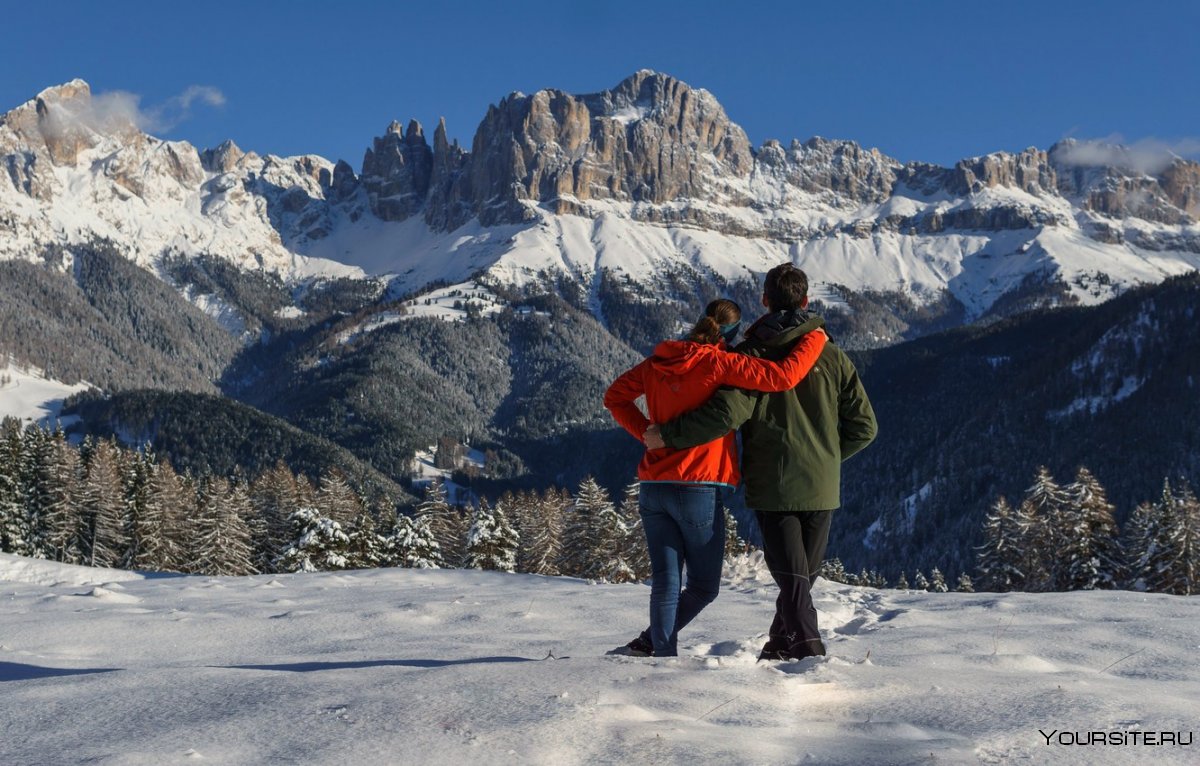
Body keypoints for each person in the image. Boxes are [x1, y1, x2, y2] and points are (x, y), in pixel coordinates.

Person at [645, 265, 877, 661]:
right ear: (806, 302)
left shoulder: (751, 356)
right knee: (801, 579)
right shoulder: (832, 354)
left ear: (765, 301)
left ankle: (806, 649)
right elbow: (864, 427)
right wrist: (825, 457)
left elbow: (723, 415)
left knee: (795, 580)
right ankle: (782, 645)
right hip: (821, 485)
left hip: (773, 484)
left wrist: (667, 435)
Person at [603, 298, 827, 657]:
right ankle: (657, 652)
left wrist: (646, 433)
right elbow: (782, 376)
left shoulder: (657, 362)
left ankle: (661, 656)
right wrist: (814, 337)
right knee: (704, 586)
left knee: (665, 581)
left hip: (653, 485)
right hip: (697, 485)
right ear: (729, 333)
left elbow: (614, 397)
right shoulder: (721, 362)